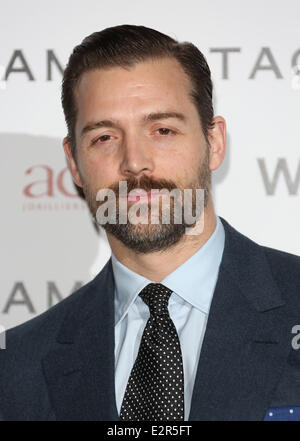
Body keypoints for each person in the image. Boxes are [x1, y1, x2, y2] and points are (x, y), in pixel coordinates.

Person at [1, 24, 300, 422]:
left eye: (162, 130)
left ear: (214, 143)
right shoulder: (18, 365)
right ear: (74, 163)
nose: (135, 161)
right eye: (105, 137)